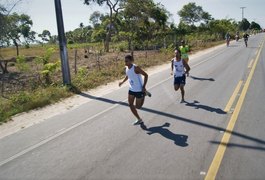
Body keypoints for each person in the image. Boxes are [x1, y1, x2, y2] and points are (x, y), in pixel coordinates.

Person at [119, 55, 151, 125]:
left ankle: (144, 94)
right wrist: (122, 82)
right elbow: (128, 75)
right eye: (125, 61)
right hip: (131, 89)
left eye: (127, 61)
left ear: (131, 61)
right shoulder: (126, 68)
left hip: (139, 90)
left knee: (138, 107)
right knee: (130, 104)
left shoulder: (136, 68)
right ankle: (139, 119)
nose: (125, 62)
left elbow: (146, 75)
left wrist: (143, 86)